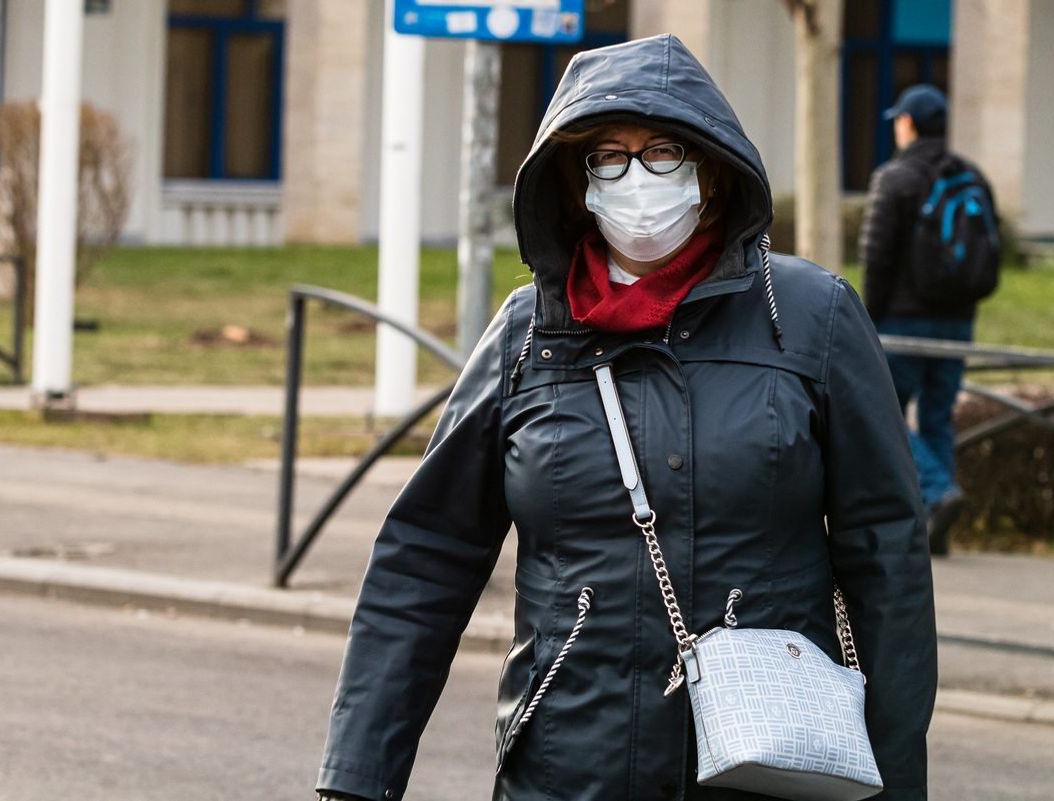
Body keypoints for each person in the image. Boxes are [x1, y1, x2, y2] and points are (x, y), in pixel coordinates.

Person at [316, 35, 936, 801]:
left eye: (663, 151)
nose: (636, 176)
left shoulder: (811, 318)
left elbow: (888, 556)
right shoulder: (526, 335)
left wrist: (897, 779)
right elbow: (425, 558)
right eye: (609, 155)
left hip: (764, 763)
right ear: (578, 184)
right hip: (568, 770)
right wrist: (354, 778)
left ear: (710, 173)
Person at [859, 84, 999, 556]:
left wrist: (866, 319)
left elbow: (876, 257)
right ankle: (934, 524)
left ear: (908, 124)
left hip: (903, 321)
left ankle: (937, 493)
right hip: (958, 321)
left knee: (885, 415)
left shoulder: (894, 177)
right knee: (937, 416)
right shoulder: (973, 176)